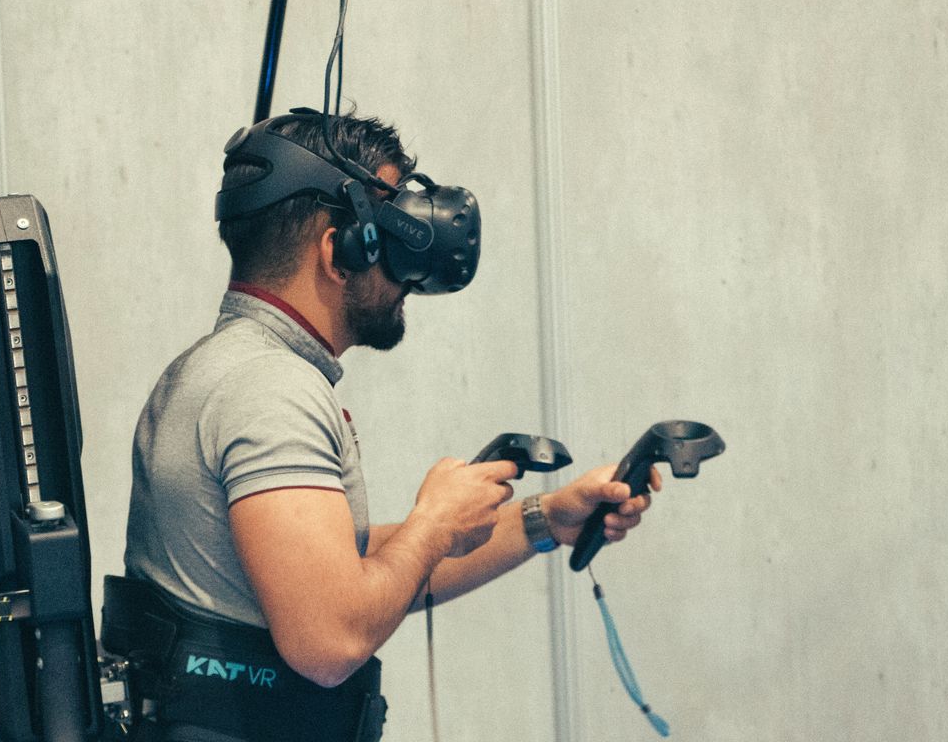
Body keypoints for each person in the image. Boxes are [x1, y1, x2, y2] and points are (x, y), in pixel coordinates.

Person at [113, 111, 658, 741]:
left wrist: (544, 520)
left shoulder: (221, 369)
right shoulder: (271, 391)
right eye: (395, 243)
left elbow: (339, 574)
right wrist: (431, 525)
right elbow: (331, 636)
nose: (407, 279)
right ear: (339, 251)